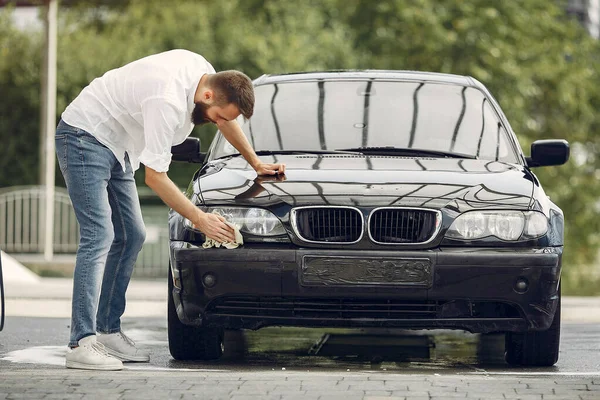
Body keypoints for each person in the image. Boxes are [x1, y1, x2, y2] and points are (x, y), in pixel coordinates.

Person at [55, 49, 285, 370]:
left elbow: (226, 121)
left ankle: (107, 331)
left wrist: (255, 162)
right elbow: (155, 177)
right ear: (206, 95)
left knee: (132, 234)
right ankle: (81, 342)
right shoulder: (168, 100)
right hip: (83, 136)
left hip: (118, 145)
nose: (216, 123)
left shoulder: (205, 75)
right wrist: (200, 219)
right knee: (99, 234)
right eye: (217, 115)